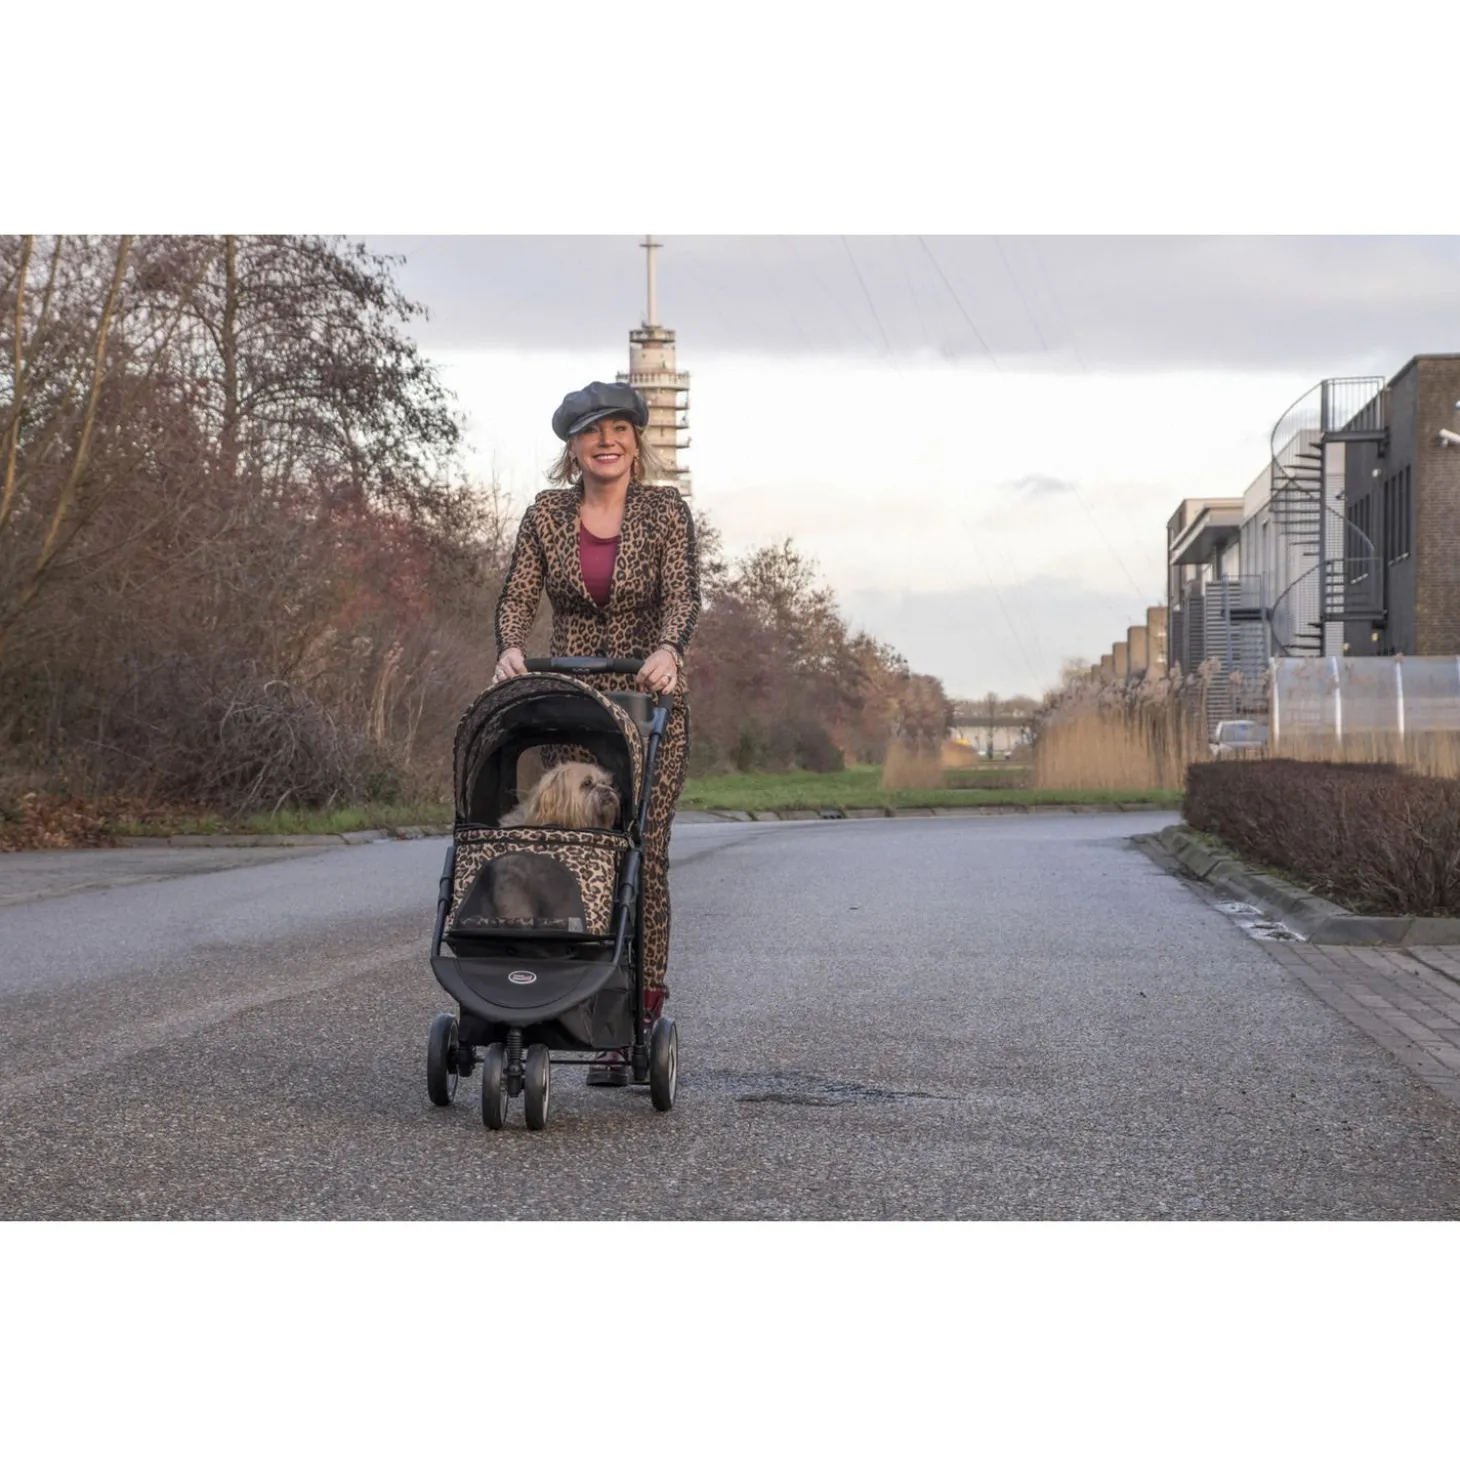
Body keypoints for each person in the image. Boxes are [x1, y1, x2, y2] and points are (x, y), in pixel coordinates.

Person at [492, 381, 700, 1085]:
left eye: (618, 429)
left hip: (649, 702)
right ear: (573, 448)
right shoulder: (547, 514)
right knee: (572, 846)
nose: (605, 441)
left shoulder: (665, 511)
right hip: (574, 701)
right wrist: (510, 647)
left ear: (635, 442)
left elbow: (682, 595)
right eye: (591, 431)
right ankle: (558, 994)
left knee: (643, 854)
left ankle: (633, 1012)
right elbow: (518, 593)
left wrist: (669, 649)